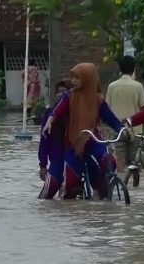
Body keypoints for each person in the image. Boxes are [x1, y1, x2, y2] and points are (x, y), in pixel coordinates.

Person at [42, 63, 125, 199]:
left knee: (110, 161)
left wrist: (123, 129)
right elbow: (57, 110)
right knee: (70, 184)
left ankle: (99, 190)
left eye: (77, 78)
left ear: (87, 79)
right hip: (73, 142)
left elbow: (111, 119)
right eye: (72, 78)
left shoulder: (99, 100)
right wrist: (50, 120)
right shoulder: (68, 96)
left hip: (93, 139)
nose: (73, 81)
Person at [106, 56, 144, 172]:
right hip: (135, 129)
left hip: (118, 129)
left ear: (120, 69)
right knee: (134, 161)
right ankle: (135, 186)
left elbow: (107, 108)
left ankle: (121, 184)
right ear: (133, 69)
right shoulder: (138, 86)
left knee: (119, 160)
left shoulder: (112, 86)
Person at [38, 80, 71, 199]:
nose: (61, 95)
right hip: (57, 159)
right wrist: (42, 165)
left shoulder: (74, 114)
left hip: (72, 158)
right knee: (45, 197)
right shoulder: (49, 115)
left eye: (64, 92)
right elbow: (44, 141)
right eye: (58, 92)